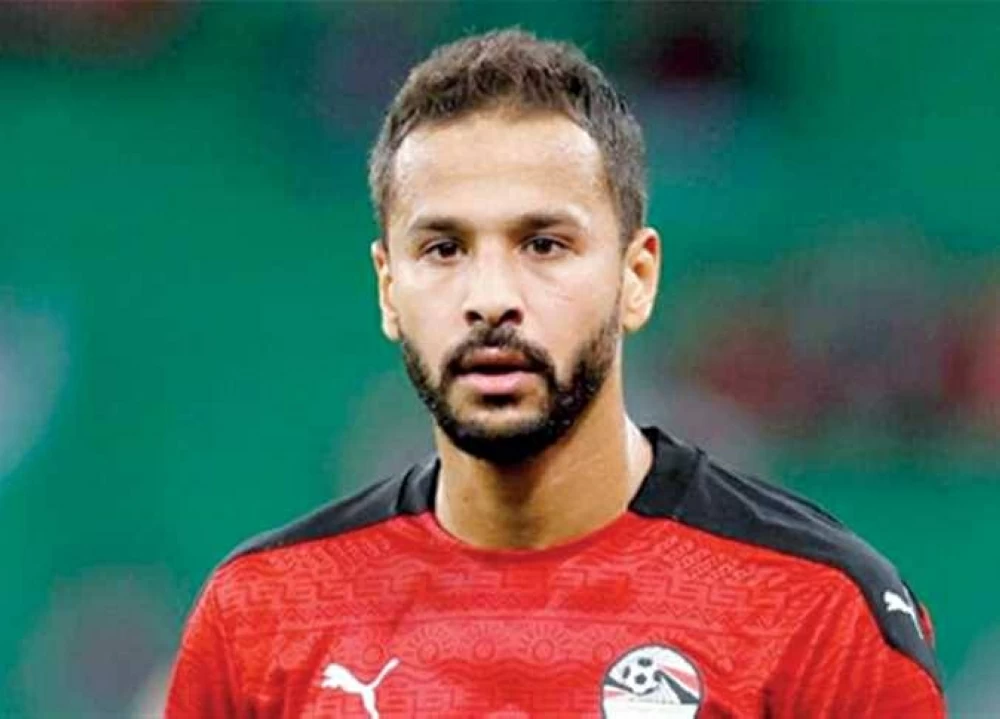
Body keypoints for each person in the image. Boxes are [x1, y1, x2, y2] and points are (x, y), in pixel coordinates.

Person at [165, 29, 945, 718]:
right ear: (388, 289)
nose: (490, 298)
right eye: (443, 249)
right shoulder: (261, 616)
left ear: (636, 277)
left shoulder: (819, 612)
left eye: (544, 245)